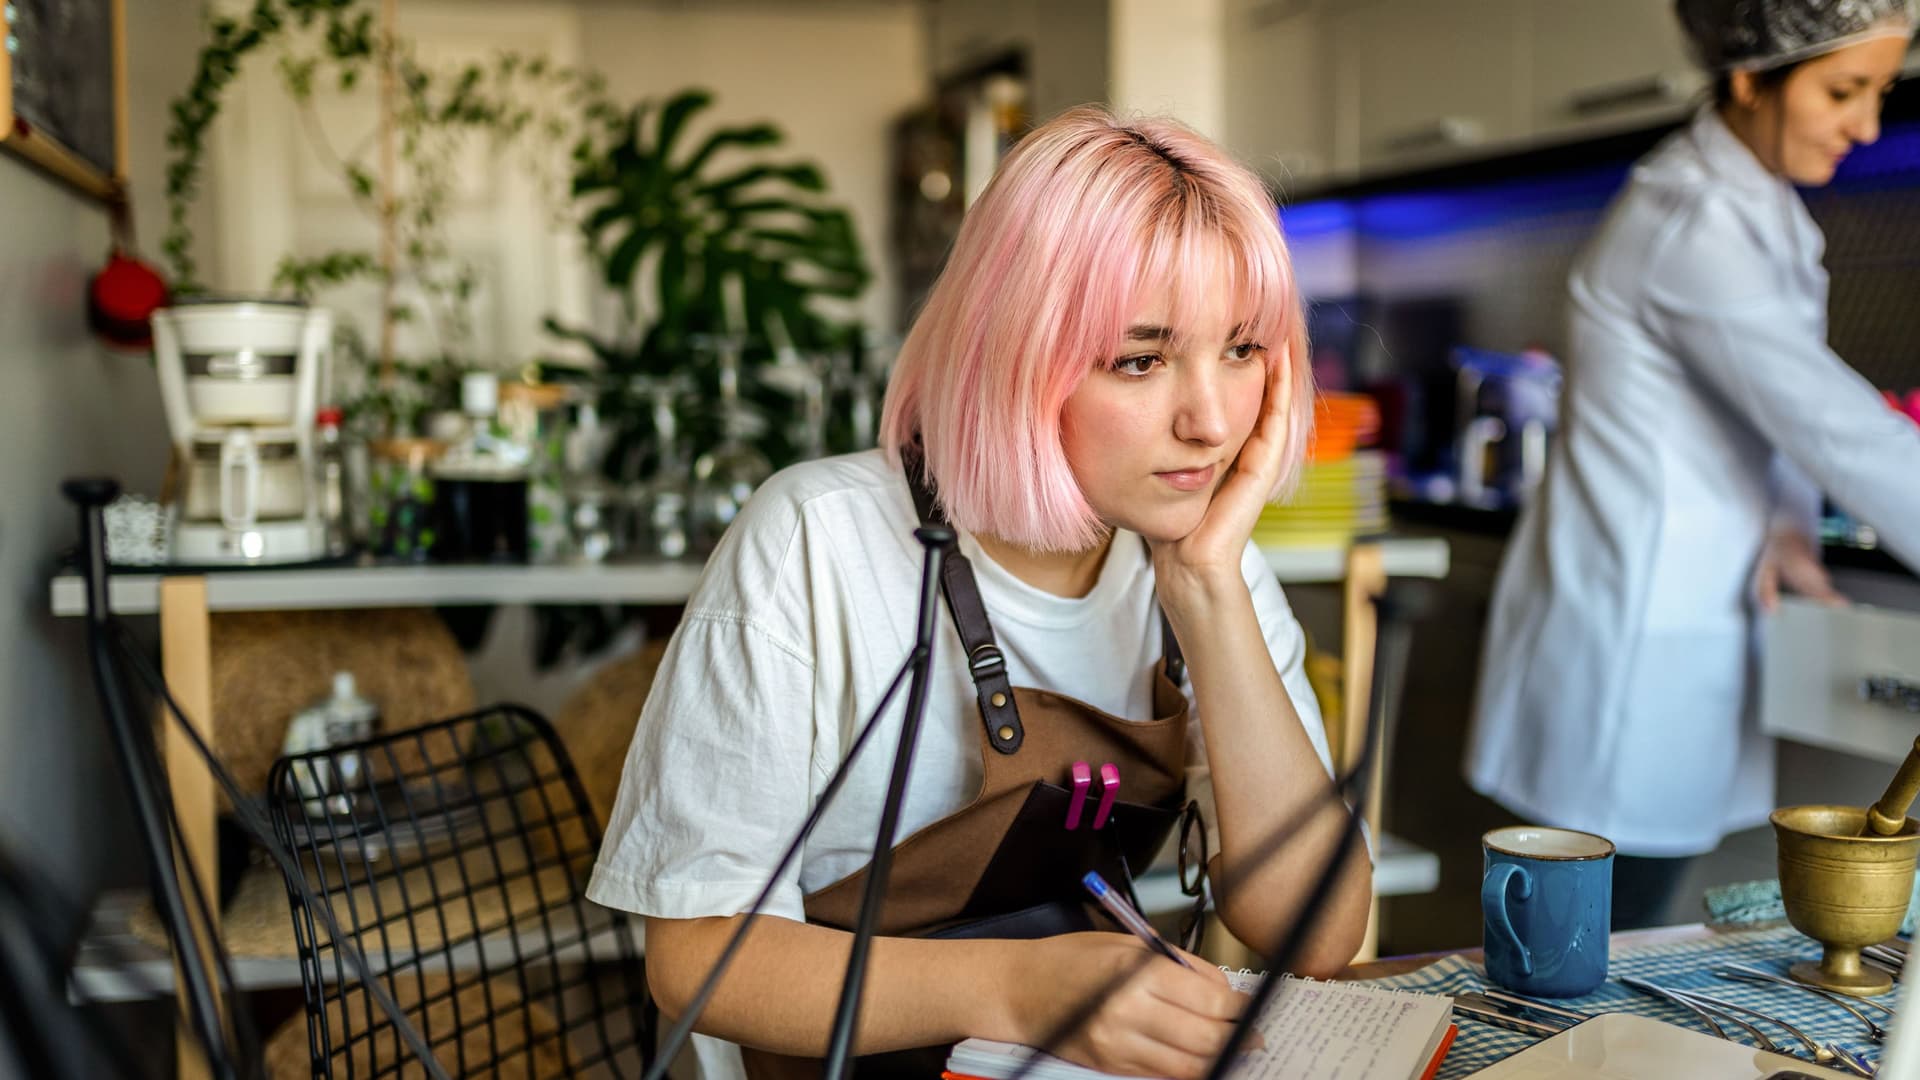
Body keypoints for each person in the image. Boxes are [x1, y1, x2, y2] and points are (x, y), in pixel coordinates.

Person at [586, 106, 1371, 1080]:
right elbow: (696, 962)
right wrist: (1022, 989)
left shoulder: (1208, 556)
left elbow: (1320, 932)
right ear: (1015, 353)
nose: (1211, 421)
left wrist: (1207, 588)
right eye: (1140, 359)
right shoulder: (815, 543)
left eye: (1244, 350)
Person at [1466, 0, 1920, 931]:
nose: (1868, 126)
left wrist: (1786, 525)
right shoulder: (1690, 224)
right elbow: (1833, 425)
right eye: (1845, 91)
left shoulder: (1760, 213)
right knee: (1585, 963)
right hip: (1628, 648)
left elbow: (1757, 413)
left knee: (1617, 946)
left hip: (1680, 628)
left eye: (1880, 93)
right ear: (1750, 79)